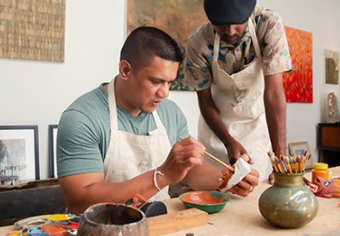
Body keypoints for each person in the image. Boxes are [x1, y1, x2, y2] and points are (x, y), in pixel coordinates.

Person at [56, 26, 259, 214]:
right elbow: (80, 201)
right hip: (104, 232)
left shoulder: (169, 112)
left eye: (169, 82)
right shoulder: (81, 118)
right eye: (156, 81)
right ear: (125, 70)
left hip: (161, 223)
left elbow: (191, 171)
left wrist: (227, 179)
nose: (165, 93)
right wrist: (163, 175)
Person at [185, 0, 293, 183]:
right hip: (217, 131)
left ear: (249, 13)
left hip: (256, 128)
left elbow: (274, 94)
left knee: (256, 194)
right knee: (221, 191)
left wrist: (280, 159)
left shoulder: (268, 25)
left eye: (237, 24)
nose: (230, 31)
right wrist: (228, 142)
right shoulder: (198, 42)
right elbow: (205, 101)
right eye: (221, 25)